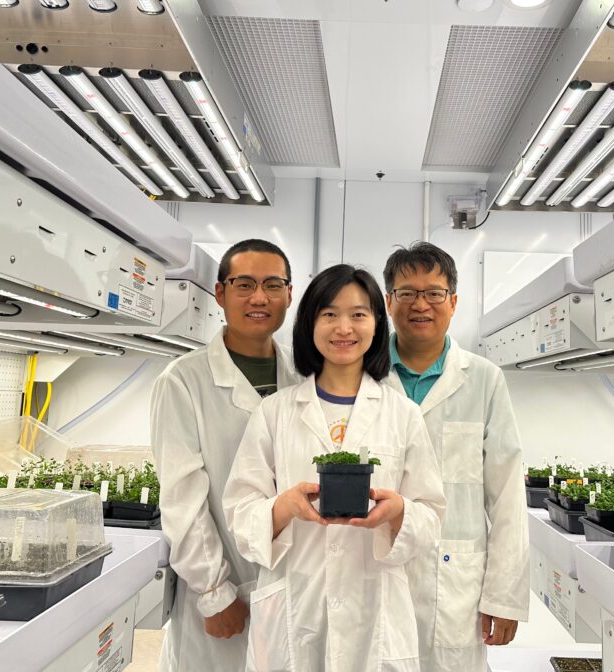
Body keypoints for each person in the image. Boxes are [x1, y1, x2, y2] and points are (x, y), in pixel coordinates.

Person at [223, 264, 446, 672]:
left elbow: (431, 514)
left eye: (358, 314)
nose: (344, 327)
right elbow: (239, 509)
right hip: (296, 606)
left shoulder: (404, 415)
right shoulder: (275, 413)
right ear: (310, 323)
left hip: (376, 611)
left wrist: (399, 512)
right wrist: (285, 506)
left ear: (378, 323)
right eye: (329, 314)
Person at [150, 239, 298, 672]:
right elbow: (183, 497)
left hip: (291, 589)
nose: (259, 297)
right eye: (244, 284)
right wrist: (214, 592)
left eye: (273, 285)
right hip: (221, 591)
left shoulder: (303, 376)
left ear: (290, 295)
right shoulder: (183, 381)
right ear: (220, 293)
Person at [383, 242, 529, 672]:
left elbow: (506, 494)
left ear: (453, 302)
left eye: (434, 292)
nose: (420, 304)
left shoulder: (483, 379)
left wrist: (504, 596)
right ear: (389, 301)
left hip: (455, 581)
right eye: (407, 293)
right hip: (375, 568)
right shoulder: (364, 375)